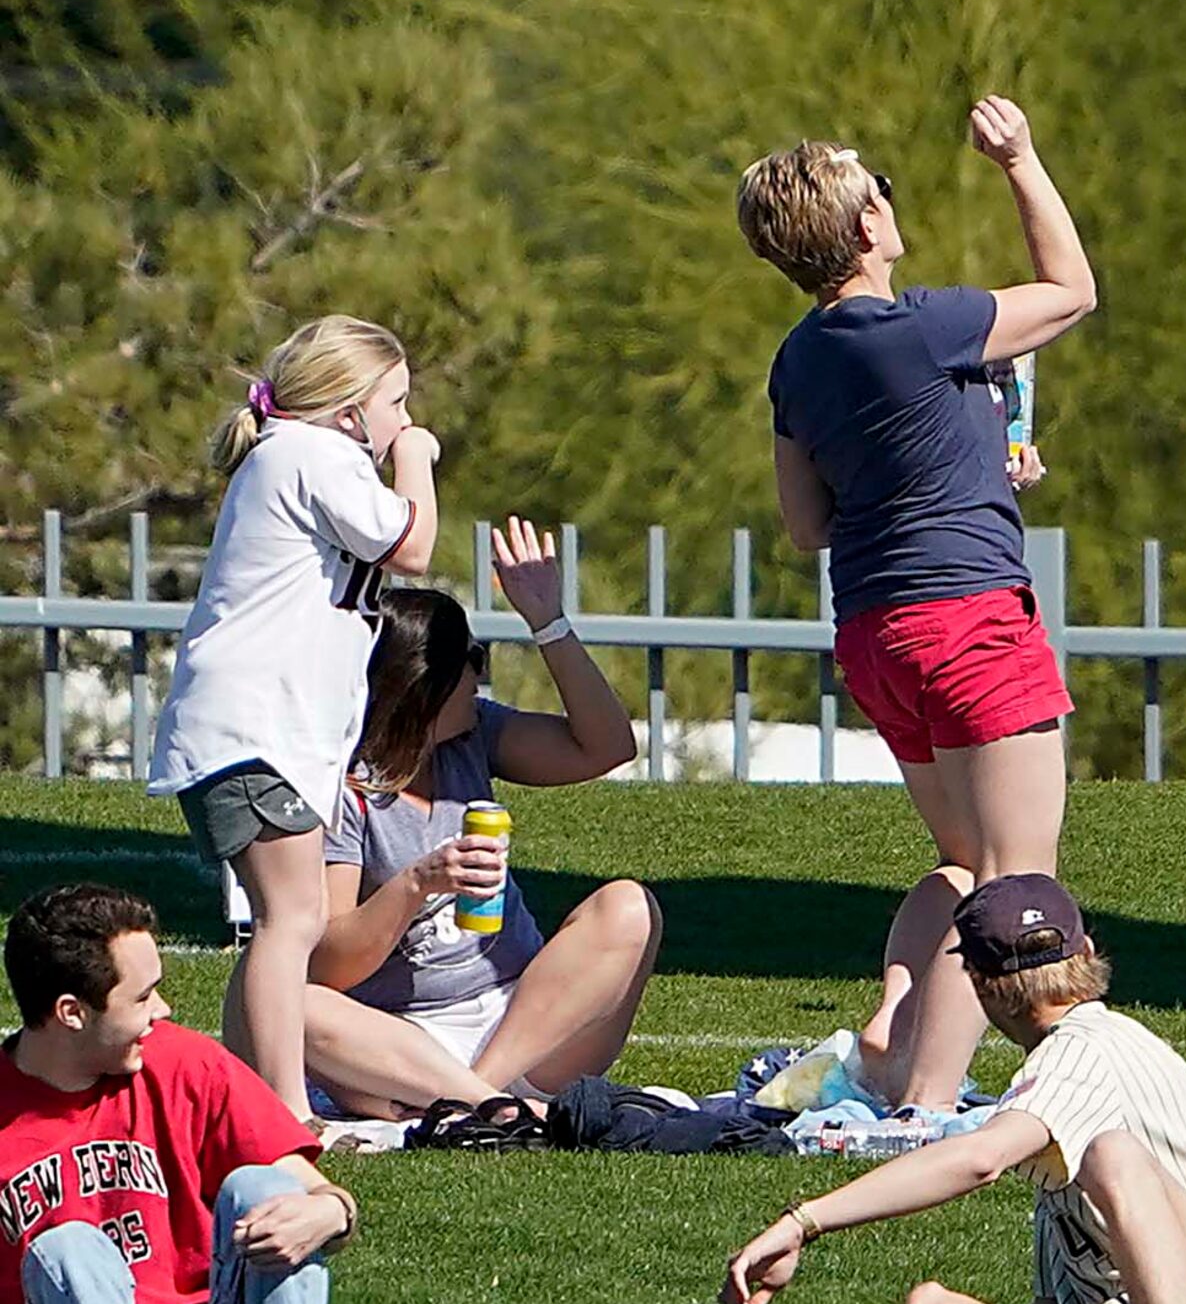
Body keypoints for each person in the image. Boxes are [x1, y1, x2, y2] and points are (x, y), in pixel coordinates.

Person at [736, 96, 1096, 1120]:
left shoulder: (799, 359)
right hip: (970, 616)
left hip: (877, 628)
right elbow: (1071, 292)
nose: (891, 202)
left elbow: (807, 521)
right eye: (878, 191)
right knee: (1013, 876)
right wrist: (1021, 160)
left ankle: (895, 1037)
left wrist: (964, 464)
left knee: (961, 863)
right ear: (862, 230)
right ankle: (926, 1107)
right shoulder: (920, 325)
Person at [722, 875, 1186, 1304]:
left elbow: (979, 1159)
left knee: (1114, 1154)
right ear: (1085, 952)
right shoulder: (1068, 1072)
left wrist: (804, 1222)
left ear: (981, 989)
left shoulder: (1083, 1051)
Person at [0, 884, 363, 1304]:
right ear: (71, 1013)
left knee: (266, 1188)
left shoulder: (184, 1061)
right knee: (65, 1244)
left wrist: (329, 1212)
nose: (161, 1010)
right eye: (141, 998)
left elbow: (319, 1194)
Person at [149, 315, 443, 1121]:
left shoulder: (294, 456)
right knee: (294, 918)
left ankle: (243, 1103)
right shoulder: (312, 453)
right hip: (252, 727)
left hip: (261, 728)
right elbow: (412, 546)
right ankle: (282, 1109)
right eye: (395, 404)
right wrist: (416, 462)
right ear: (350, 410)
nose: (402, 423)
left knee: (283, 920)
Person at [303, 522, 659, 1119]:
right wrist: (418, 884)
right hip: (402, 1042)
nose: (481, 675)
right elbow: (329, 963)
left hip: (522, 1027)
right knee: (300, 1004)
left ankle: (479, 1103)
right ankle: (482, 1105)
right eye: (472, 660)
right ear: (426, 684)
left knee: (629, 907)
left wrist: (547, 620)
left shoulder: (471, 737)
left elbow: (607, 747)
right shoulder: (345, 788)